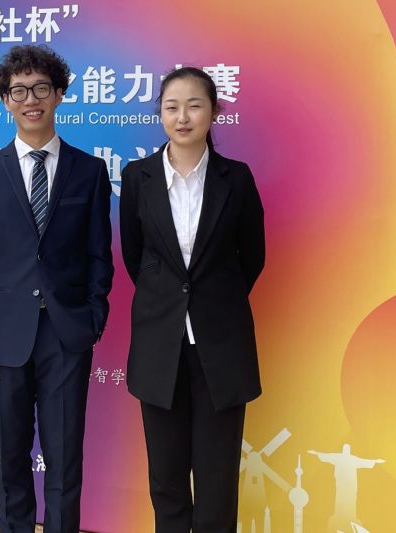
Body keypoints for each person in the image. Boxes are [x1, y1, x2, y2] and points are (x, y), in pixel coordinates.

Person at [0, 44, 113, 533]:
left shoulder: (89, 171)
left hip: (67, 334)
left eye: (41, 88)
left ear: (59, 94)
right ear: (6, 100)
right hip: (3, 339)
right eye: (19, 91)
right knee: (11, 460)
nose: (31, 100)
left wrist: (93, 319)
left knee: (65, 460)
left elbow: (99, 255)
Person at [119, 66, 265, 533]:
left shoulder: (236, 178)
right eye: (171, 107)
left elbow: (252, 257)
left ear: (214, 112)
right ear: (160, 114)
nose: (182, 117)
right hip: (159, 344)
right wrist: (172, 301)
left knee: (217, 477)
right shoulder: (137, 176)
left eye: (194, 105)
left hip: (220, 346)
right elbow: (136, 256)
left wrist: (210, 303)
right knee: (166, 478)